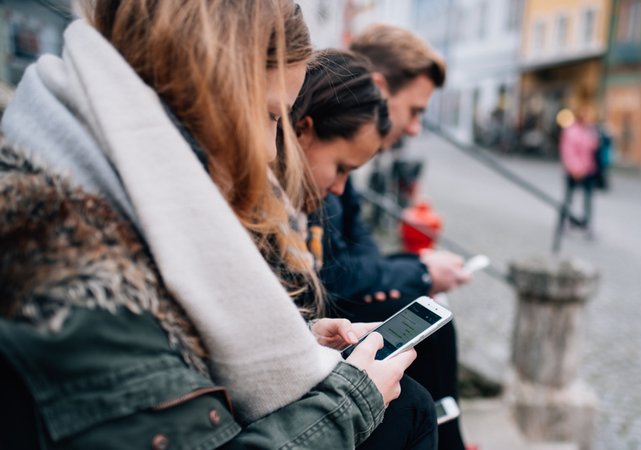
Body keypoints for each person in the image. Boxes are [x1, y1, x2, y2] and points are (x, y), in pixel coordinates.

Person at [0, 1, 430, 448]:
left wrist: (300, 340)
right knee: (408, 407)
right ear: (211, 94)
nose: (269, 149)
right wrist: (353, 401)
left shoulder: (98, 214)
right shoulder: (69, 276)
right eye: (268, 114)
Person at [309, 24, 470, 450]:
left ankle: (449, 434)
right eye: (415, 111)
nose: (416, 128)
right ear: (379, 89)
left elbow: (362, 249)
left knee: (421, 321)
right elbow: (338, 271)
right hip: (324, 309)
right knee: (416, 376)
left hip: (321, 316)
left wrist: (416, 270)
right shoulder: (319, 161)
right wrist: (418, 271)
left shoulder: (335, 162)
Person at [557, 105, 600, 238]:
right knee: (569, 198)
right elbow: (568, 151)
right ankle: (564, 223)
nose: (589, 118)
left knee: (588, 200)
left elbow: (593, 148)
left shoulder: (590, 131)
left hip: (588, 170)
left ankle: (587, 225)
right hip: (574, 171)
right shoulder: (571, 130)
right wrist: (575, 168)